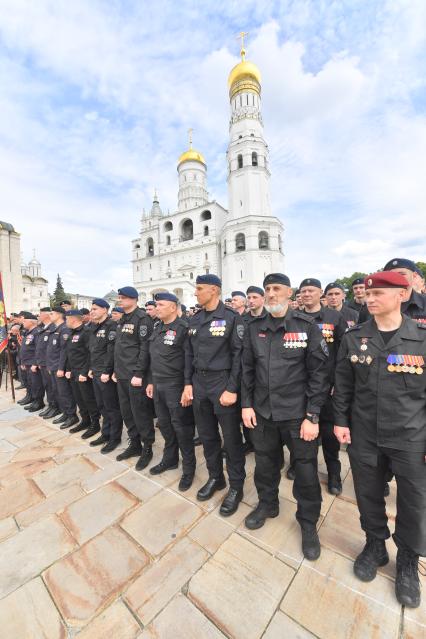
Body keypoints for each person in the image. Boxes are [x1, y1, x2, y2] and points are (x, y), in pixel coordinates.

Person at [333, 271, 426, 608]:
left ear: (402, 294)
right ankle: (375, 544)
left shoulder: (421, 337)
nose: (370, 299)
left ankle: (407, 560)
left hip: (411, 436)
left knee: (414, 502)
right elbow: (343, 385)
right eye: (368, 295)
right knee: (368, 494)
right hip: (365, 434)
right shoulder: (354, 336)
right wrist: (340, 422)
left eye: (379, 293)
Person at [241, 273, 330, 559]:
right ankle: (268, 504)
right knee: (265, 464)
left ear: (289, 293)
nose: (270, 294)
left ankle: (307, 523)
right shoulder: (255, 328)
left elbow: (320, 375)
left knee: (305, 470)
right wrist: (246, 404)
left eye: (276, 289)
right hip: (264, 412)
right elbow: (247, 370)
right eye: (267, 289)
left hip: (297, 415)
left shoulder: (306, 327)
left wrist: (312, 416)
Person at [183, 274, 246, 516]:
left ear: (214, 290)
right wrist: (188, 383)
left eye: (199, 288)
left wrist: (232, 388)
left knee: (230, 439)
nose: (196, 293)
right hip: (199, 383)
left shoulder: (232, 318)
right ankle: (215, 477)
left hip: (222, 382)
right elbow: (188, 354)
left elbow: (239, 356)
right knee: (208, 436)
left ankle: (236, 487)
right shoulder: (195, 319)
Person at [297, 278, 348, 494]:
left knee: (328, 435)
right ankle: (300, 469)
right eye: (303, 291)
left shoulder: (335, 317)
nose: (307, 294)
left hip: (328, 387)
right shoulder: (294, 318)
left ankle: (334, 474)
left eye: (311, 290)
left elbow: (343, 353)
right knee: (301, 432)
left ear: (321, 293)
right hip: (300, 386)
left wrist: (337, 383)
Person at [146, 292, 196, 490]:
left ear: (174, 307)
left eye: (160, 304)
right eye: (156, 304)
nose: (156, 308)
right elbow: (153, 357)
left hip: (176, 385)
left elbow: (188, 360)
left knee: (182, 428)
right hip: (158, 385)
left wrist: (187, 387)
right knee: (165, 425)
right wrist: (150, 381)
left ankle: (189, 468)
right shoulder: (158, 327)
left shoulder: (184, 329)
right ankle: (170, 459)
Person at [113, 286, 155, 469]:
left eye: (122, 298)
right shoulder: (123, 319)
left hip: (135, 375)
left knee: (140, 413)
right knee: (127, 412)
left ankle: (147, 448)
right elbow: (121, 348)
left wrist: (139, 373)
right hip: (121, 374)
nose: (119, 301)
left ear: (133, 299)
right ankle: (135, 443)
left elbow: (145, 349)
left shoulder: (142, 318)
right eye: (119, 298)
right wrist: (115, 369)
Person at [88, 299, 123, 453]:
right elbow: (94, 350)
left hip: (105, 373)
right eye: (91, 309)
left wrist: (107, 371)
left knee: (112, 407)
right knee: (102, 405)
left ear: (105, 310)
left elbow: (111, 351)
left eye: (95, 309)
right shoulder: (94, 326)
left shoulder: (112, 326)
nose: (92, 311)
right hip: (96, 371)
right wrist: (91, 368)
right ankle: (105, 433)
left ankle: (115, 438)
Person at [64, 310, 101, 439]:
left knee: (88, 399)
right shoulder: (71, 333)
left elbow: (91, 353)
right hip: (73, 372)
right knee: (79, 398)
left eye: (67, 319)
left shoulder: (86, 332)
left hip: (82, 373)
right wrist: (68, 369)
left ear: (73, 319)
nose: (66, 321)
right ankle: (85, 420)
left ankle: (95, 424)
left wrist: (84, 372)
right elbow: (70, 353)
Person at [46, 307, 79, 429]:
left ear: (59, 315)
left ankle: (72, 415)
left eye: (52, 313)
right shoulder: (55, 329)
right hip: (53, 366)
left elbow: (64, 351)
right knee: (58, 391)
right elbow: (52, 350)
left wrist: (61, 368)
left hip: (60, 367)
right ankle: (66, 413)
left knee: (65, 392)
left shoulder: (64, 329)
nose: (50, 315)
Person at [18, 312, 45, 412]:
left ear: (31, 322)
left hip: (33, 363)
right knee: (30, 383)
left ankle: (39, 402)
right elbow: (25, 348)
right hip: (27, 362)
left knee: (36, 384)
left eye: (25, 321)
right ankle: (32, 398)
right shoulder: (28, 332)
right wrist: (23, 362)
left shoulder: (37, 332)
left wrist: (35, 363)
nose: (23, 323)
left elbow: (38, 349)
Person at [36, 307, 59, 418]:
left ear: (46, 315)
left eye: (40, 314)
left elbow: (52, 349)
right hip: (44, 363)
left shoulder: (53, 328)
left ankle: (55, 406)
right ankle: (51, 405)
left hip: (50, 363)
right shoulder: (44, 328)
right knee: (48, 386)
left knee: (52, 387)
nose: (38, 316)